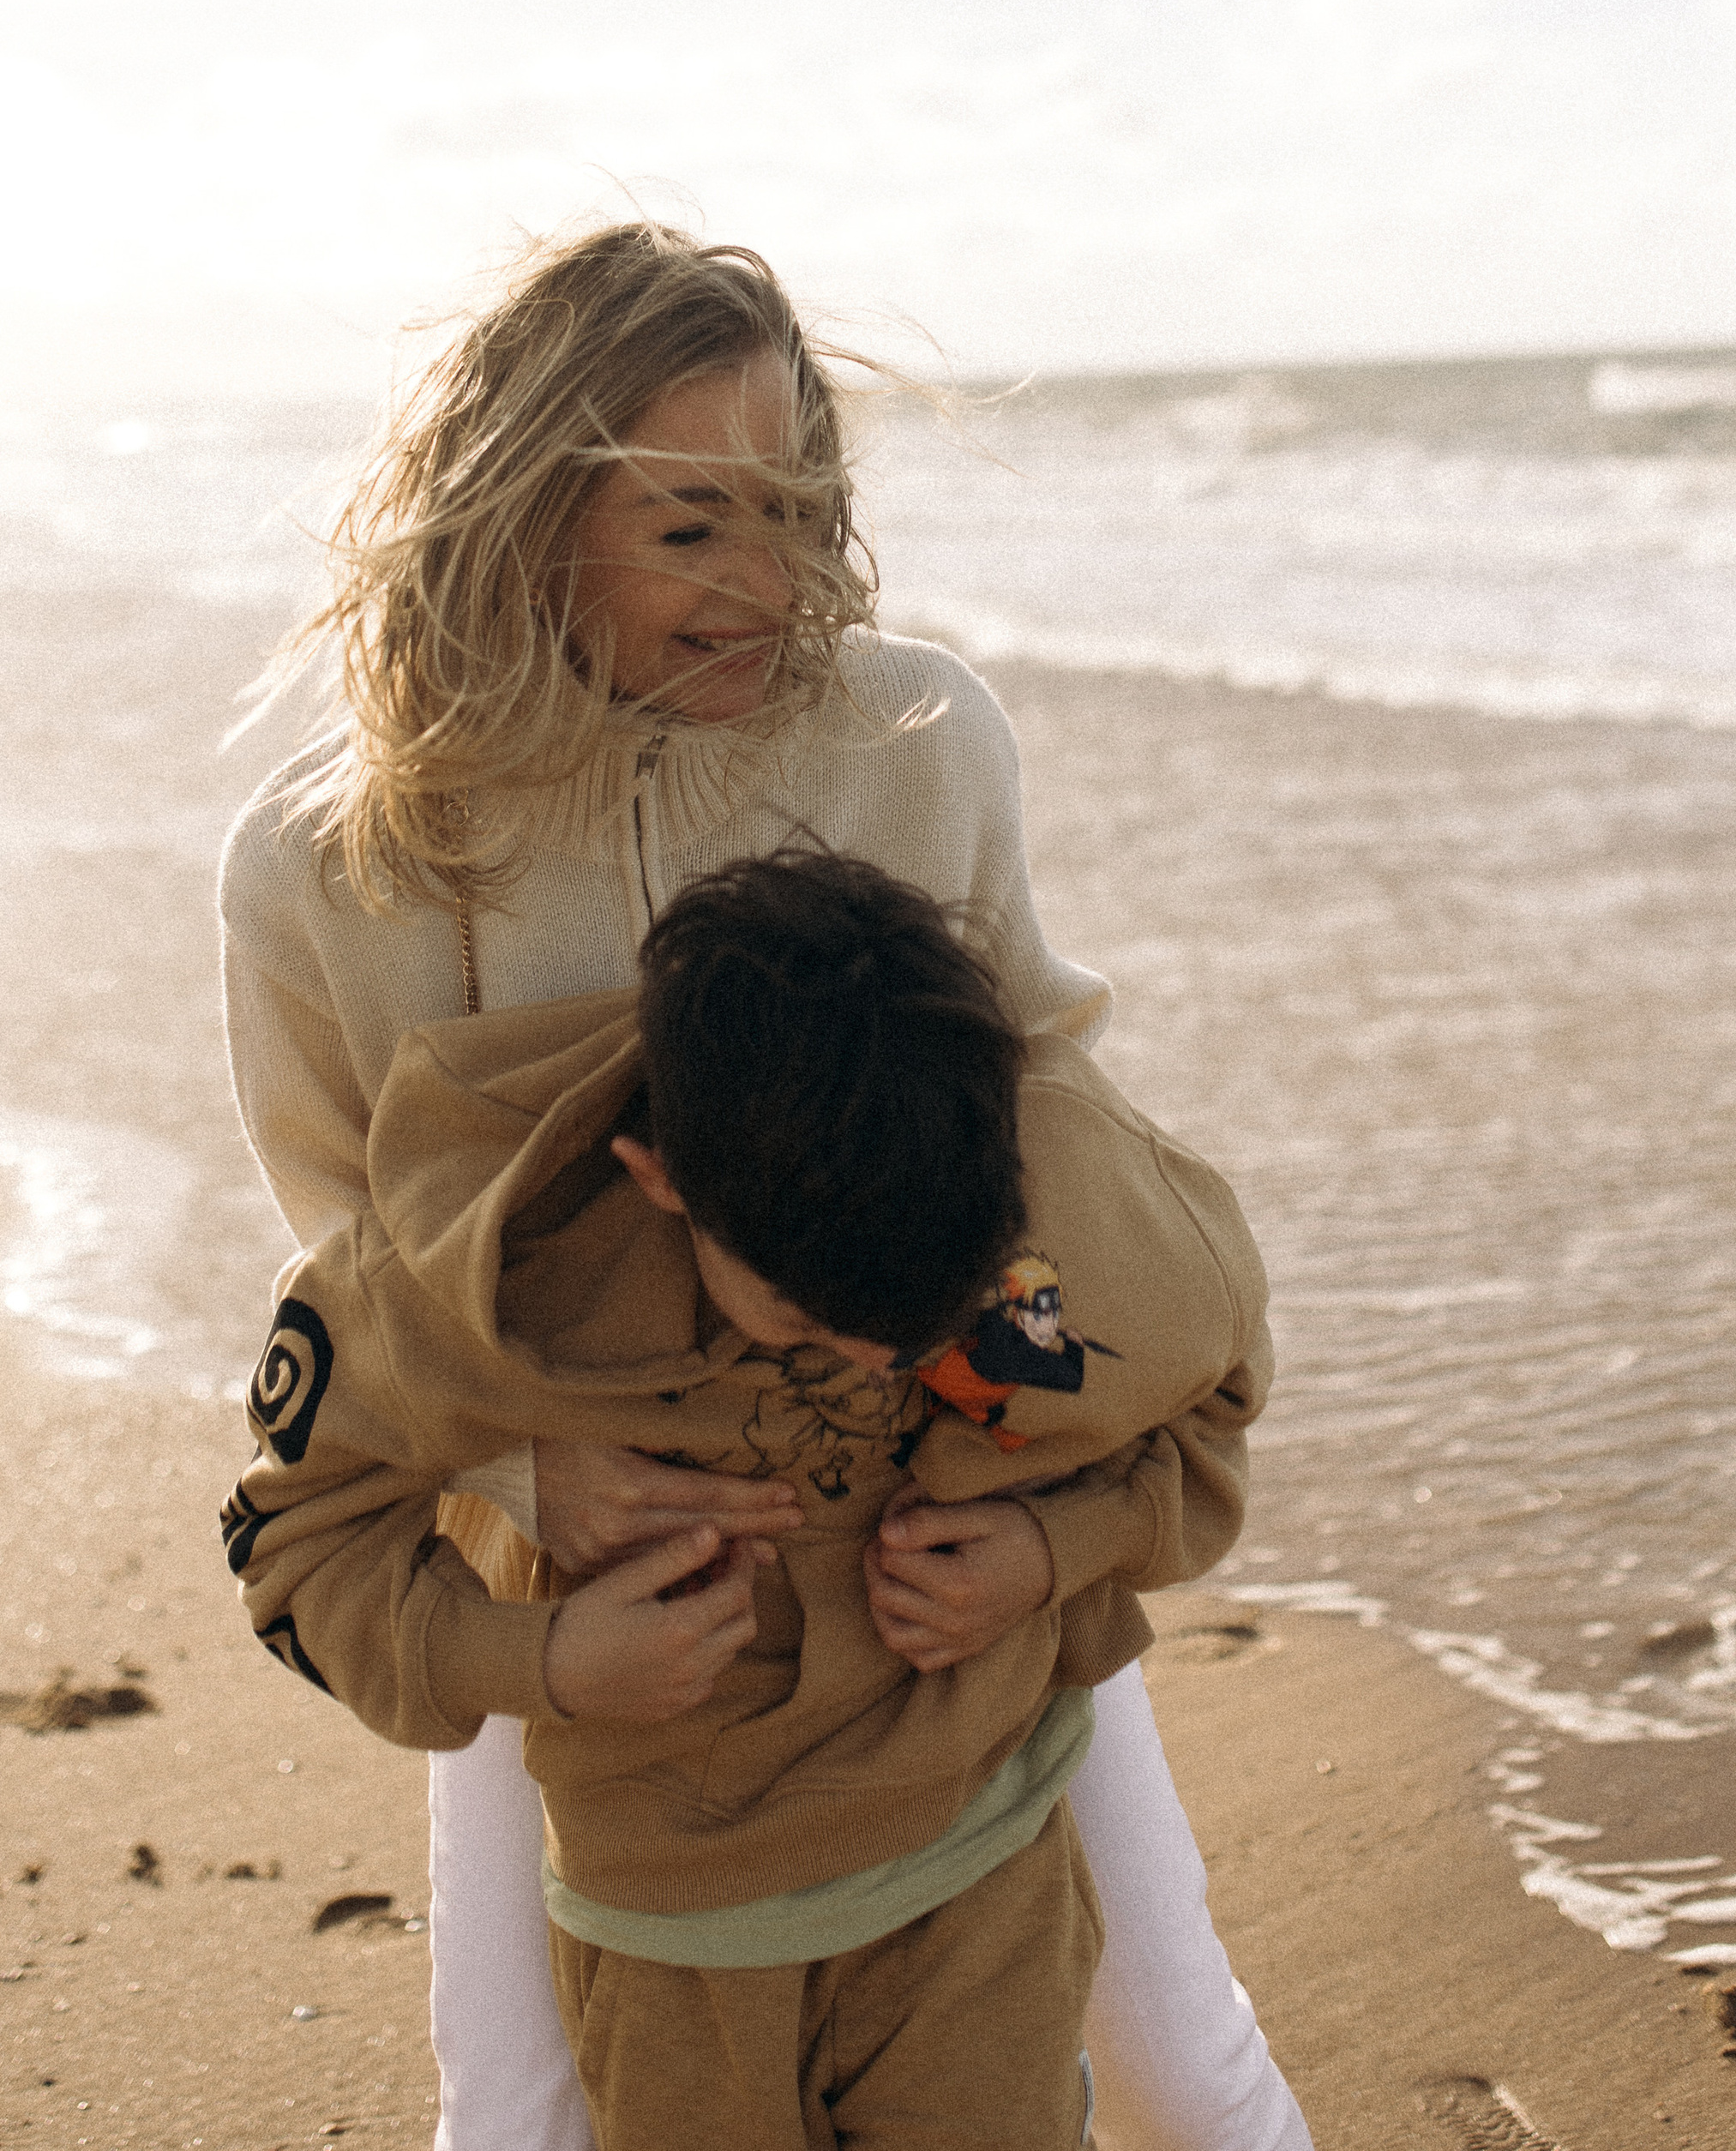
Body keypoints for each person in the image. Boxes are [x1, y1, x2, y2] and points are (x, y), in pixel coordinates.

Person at [220, 217, 1309, 2151]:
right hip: (573, 1556)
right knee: (527, 2104)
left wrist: (1025, 1500)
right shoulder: (335, 862)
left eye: (801, 511)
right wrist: (509, 1492)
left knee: (1173, 2040)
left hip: (934, 1523)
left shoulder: (915, 736)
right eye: (693, 525)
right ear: (522, 510)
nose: (771, 584)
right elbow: (350, 1257)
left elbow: (1045, 1125)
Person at [225, 850, 1276, 2151]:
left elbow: (1214, 1408)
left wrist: (1057, 1547)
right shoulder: (481, 1283)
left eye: (923, 1321)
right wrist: (542, 1656)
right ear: (661, 1176)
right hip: (675, 1934)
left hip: (983, 1870)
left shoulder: (1065, 1194)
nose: (887, 1364)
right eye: (813, 1317)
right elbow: (290, 1541)